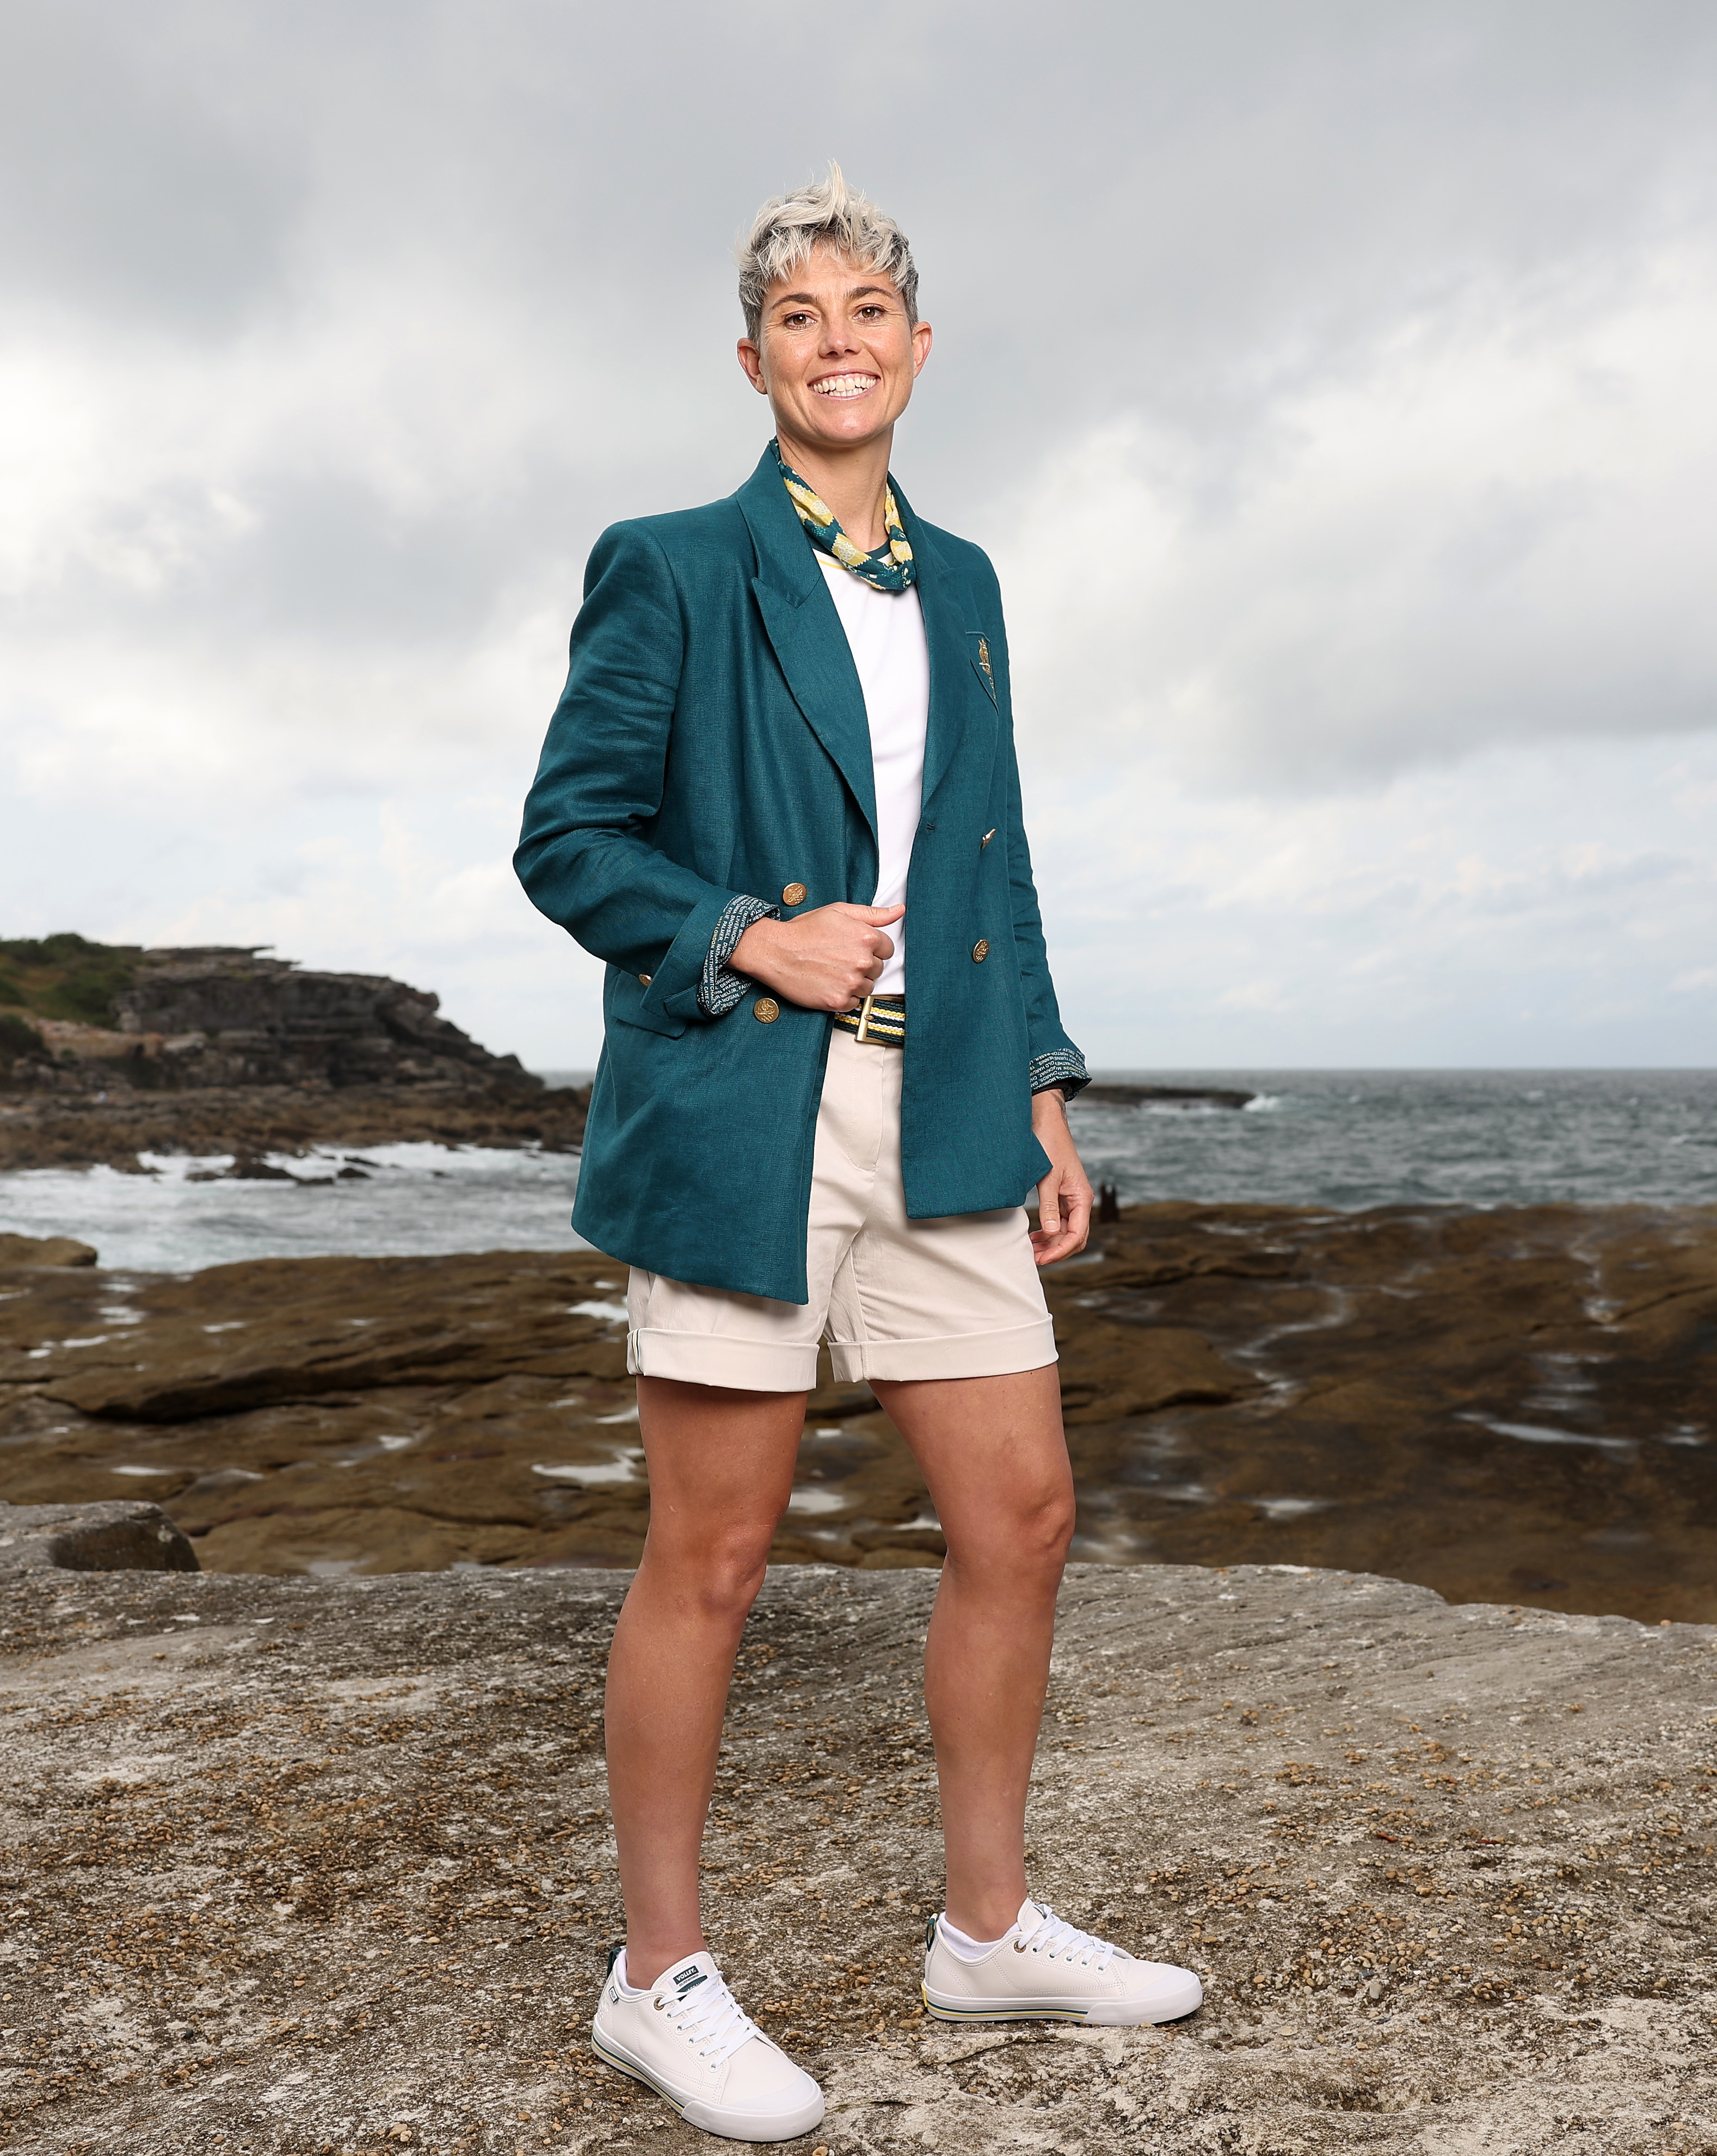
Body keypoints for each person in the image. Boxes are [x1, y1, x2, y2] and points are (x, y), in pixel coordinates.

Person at [514, 168, 1202, 2143]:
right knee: (715, 1556)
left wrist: (1049, 1086)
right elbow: (572, 837)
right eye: (800, 315)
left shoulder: (967, 581)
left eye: (869, 309)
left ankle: (984, 1930)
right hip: (748, 1099)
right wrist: (745, 930)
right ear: (753, 360)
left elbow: (995, 858)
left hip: (952, 1105)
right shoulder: (668, 563)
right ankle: (659, 1977)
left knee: (1026, 1517)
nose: (839, 340)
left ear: (919, 345)